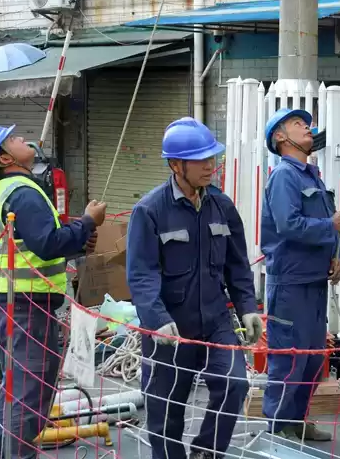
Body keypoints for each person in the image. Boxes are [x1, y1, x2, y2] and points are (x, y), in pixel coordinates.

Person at [0, 125, 107, 459]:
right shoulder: (23, 193)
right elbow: (46, 245)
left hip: (11, 304)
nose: (23, 139)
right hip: (26, 308)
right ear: (4, 157)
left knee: (13, 389)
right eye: (13, 139)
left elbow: (38, 245)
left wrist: (77, 239)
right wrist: (86, 221)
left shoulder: (12, 188)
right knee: (29, 395)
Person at [126, 117, 262, 459]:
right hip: (171, 324)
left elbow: (237, 266)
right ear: (176, 165)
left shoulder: (222, 206)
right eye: (201, 160)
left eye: (212, 158)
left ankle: (206, 451)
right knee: (166, 409)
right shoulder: (150, 210)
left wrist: (248, 307)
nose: (210, 166)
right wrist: (156, 318)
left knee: (234, 384)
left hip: (216, 320)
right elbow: (141, 273)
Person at [260, 108, 340, 441]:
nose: (308, 128)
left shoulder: (312, 176)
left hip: (314, 283)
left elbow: (333, 228)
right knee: (288, 362)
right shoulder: (284, 176)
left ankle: (296, 423)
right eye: (299, 124)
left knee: (313, 361)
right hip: (291, 284)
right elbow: (289, 225)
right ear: (280, 138)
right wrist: (331, 226)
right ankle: (277, 432)